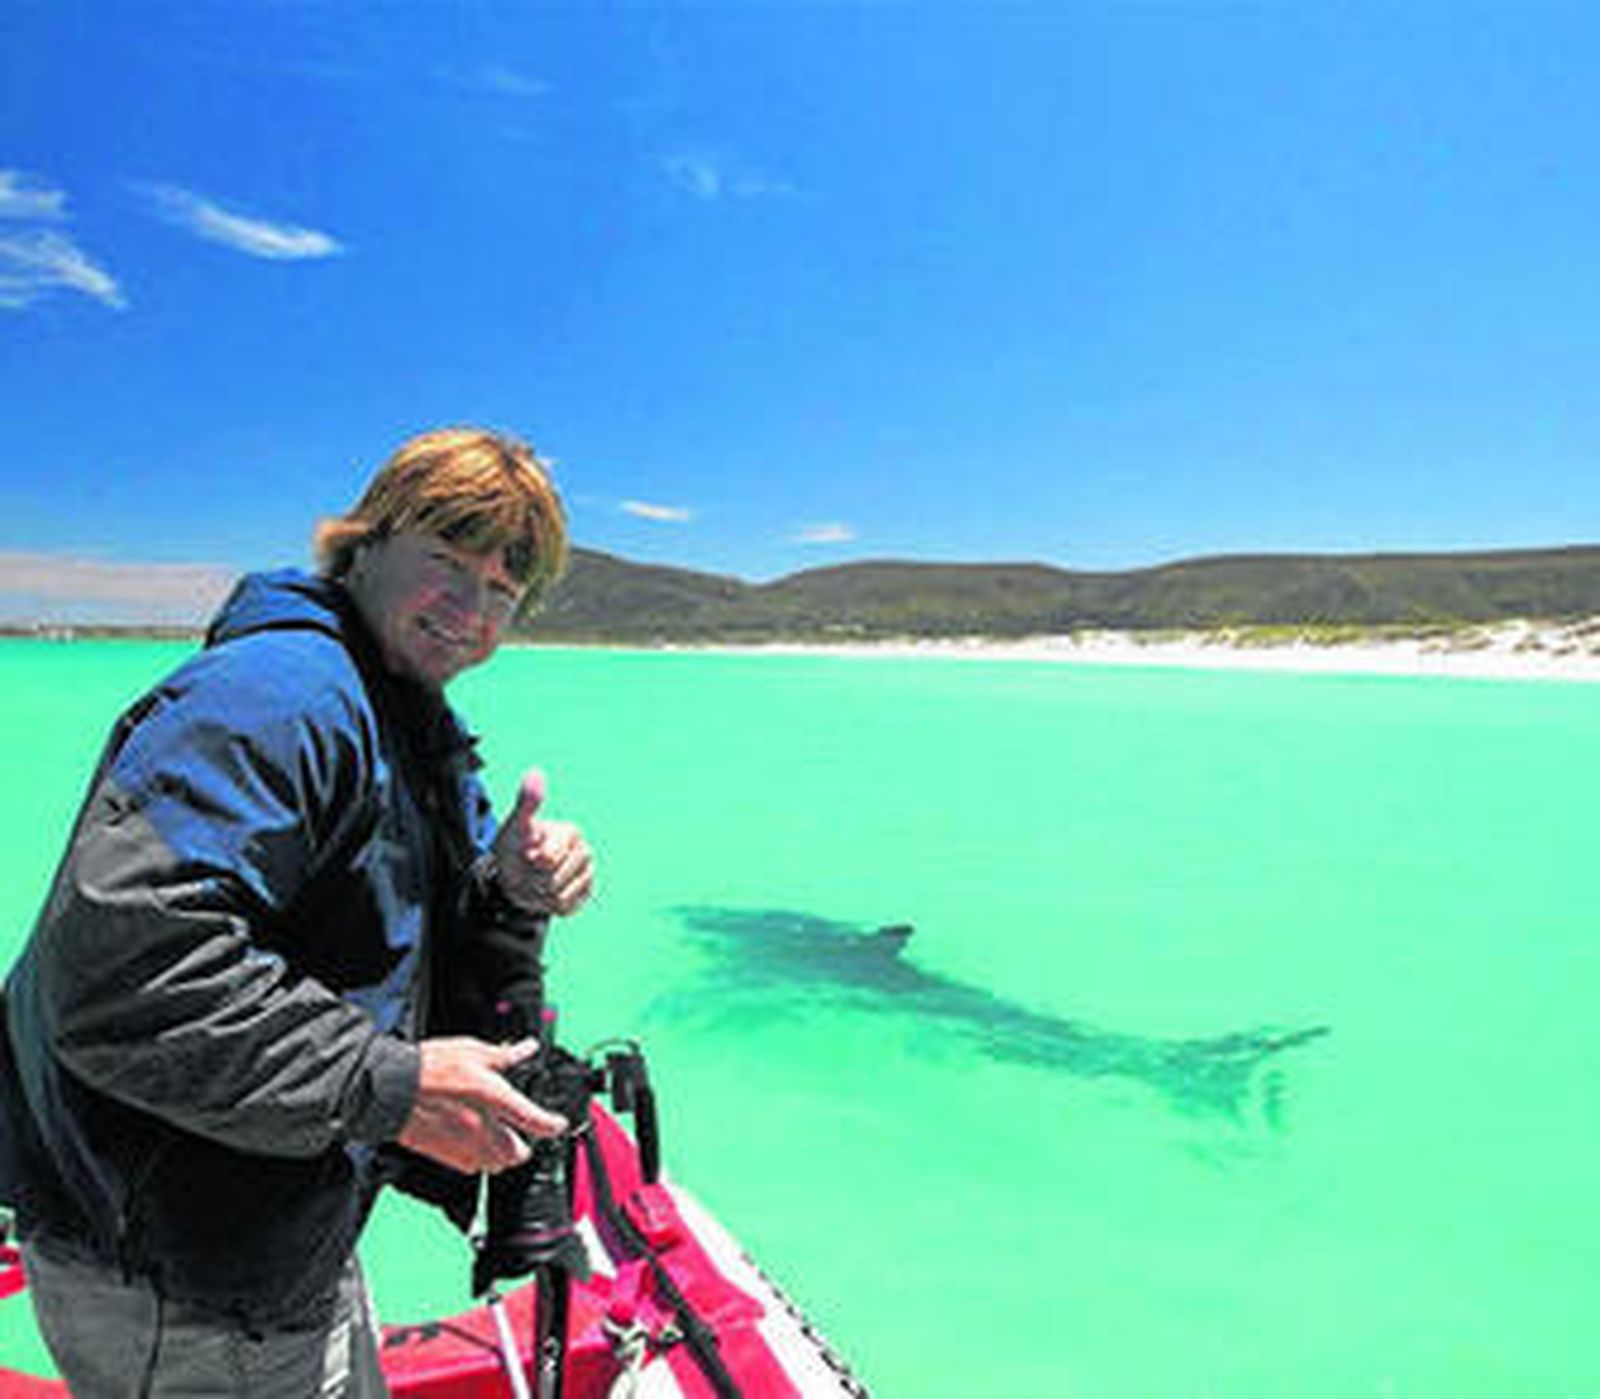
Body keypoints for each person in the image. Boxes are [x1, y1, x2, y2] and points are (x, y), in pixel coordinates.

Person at [0, 426, 595, 1396]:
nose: (468, 609)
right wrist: (389, 1085)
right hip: (173, 1266)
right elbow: (121, 974)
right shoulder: (280, 700)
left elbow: (389, 938)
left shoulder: (401, 711)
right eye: (444, 563)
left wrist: (509, 887)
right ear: (362, 544)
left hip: (266, 1210)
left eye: (499, 589)